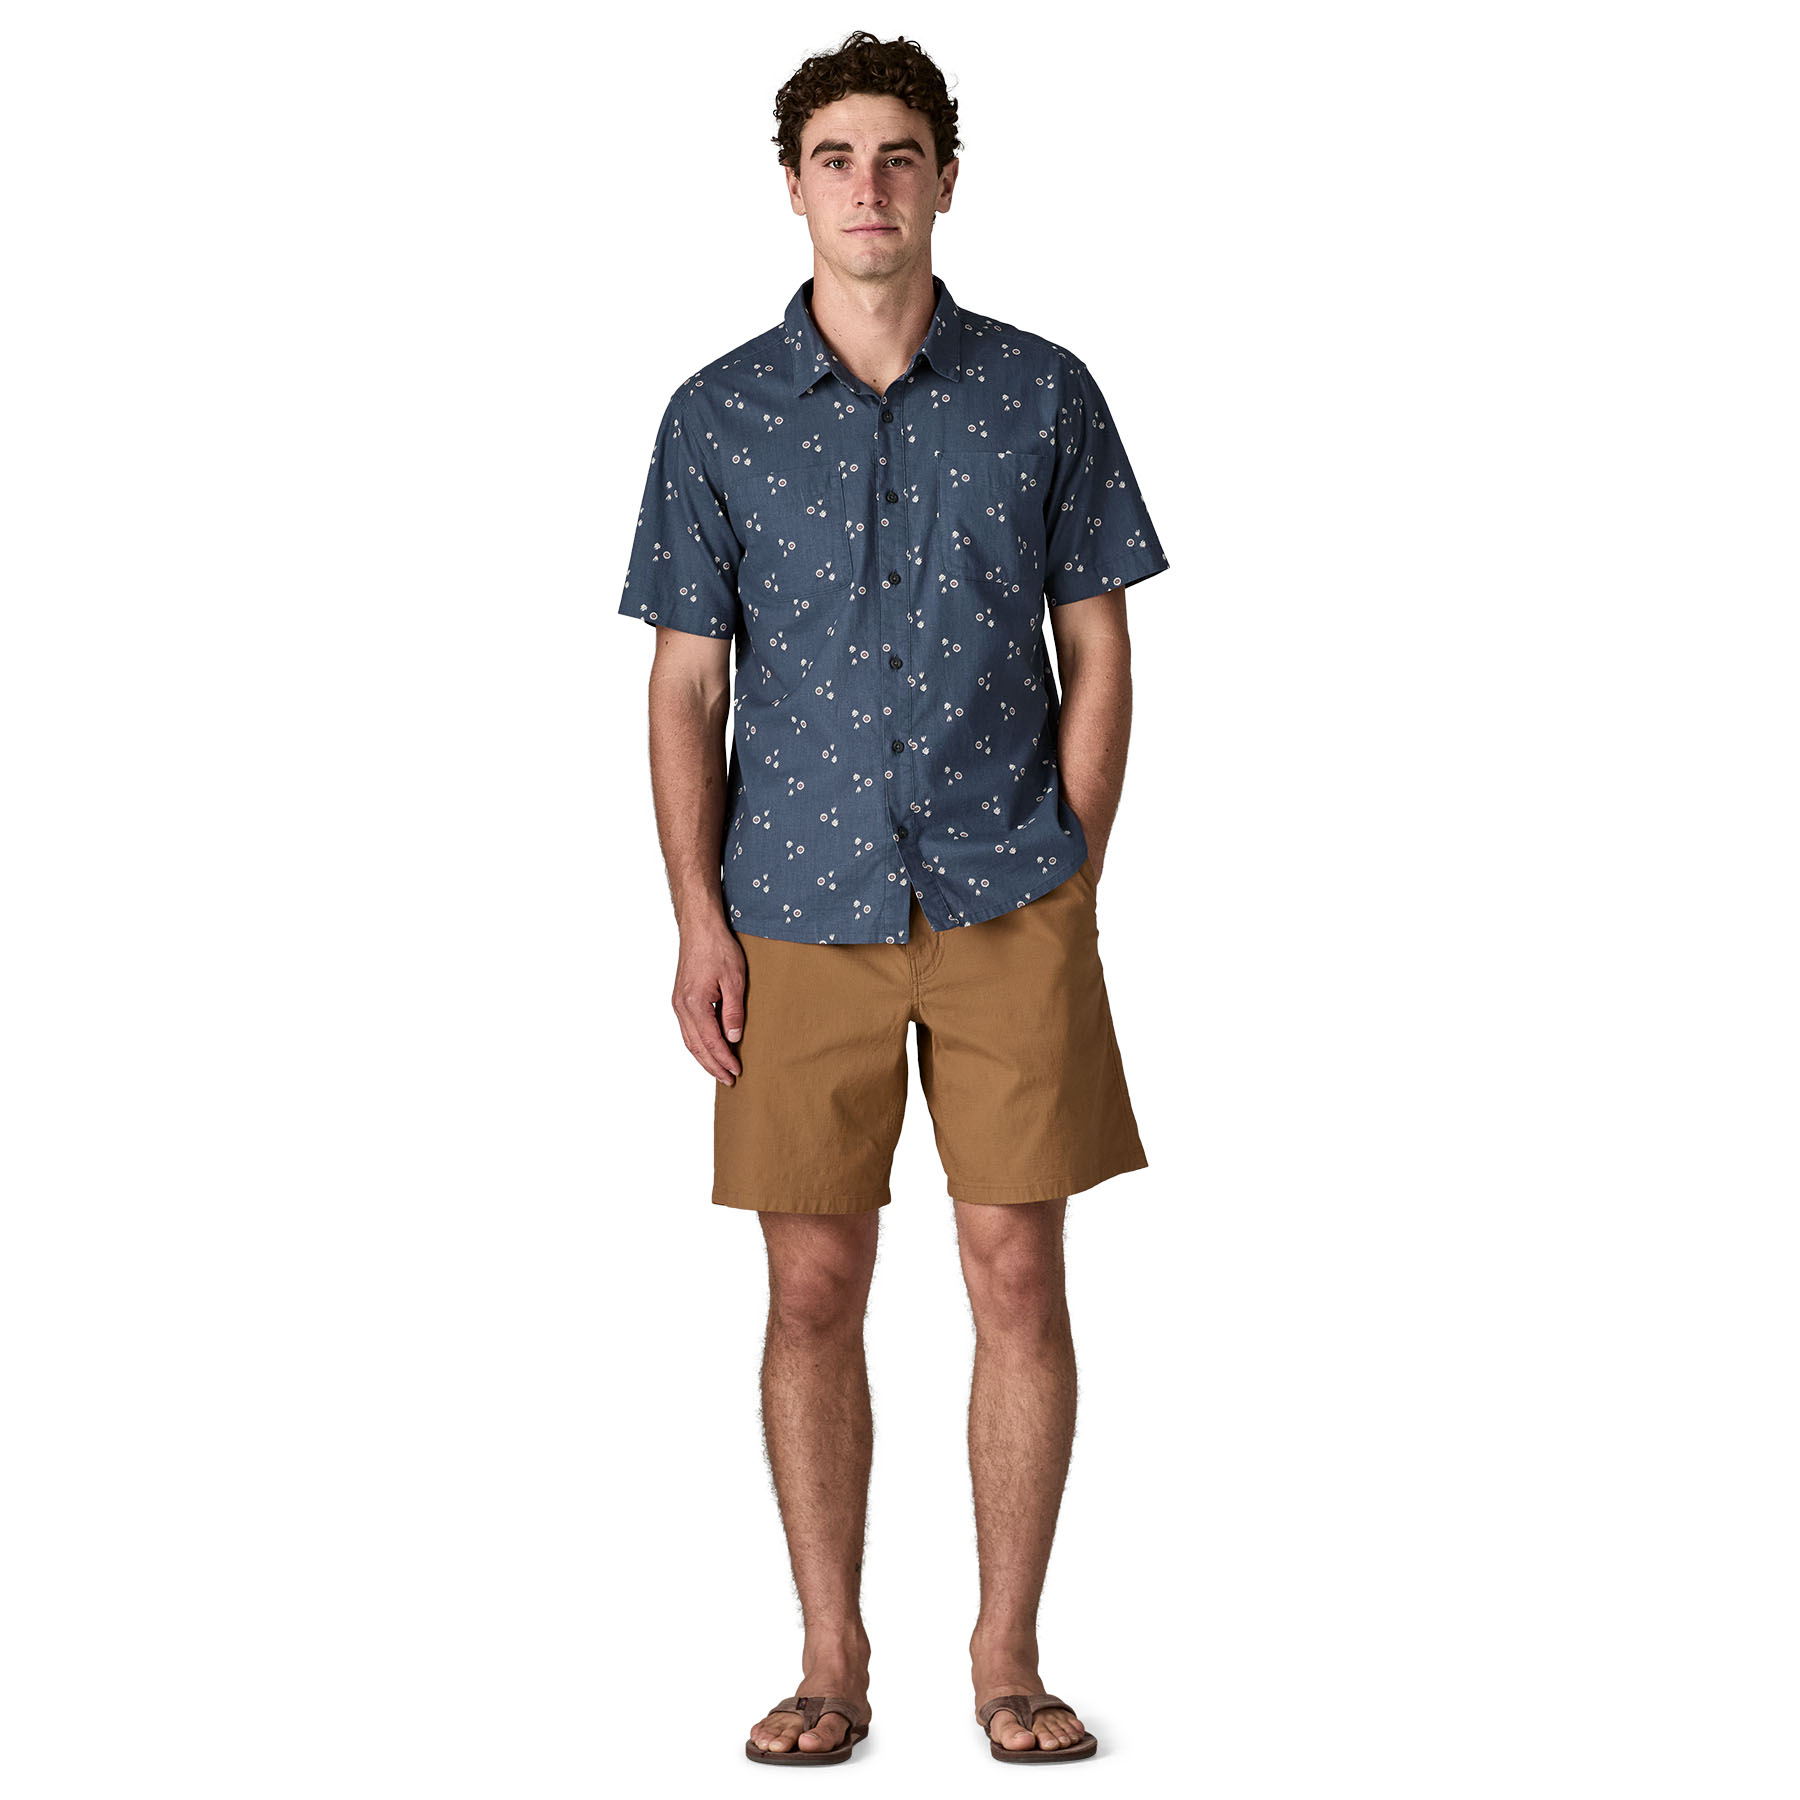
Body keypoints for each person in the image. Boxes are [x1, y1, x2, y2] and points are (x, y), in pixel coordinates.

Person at [617, 30, 1168, 1766]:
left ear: (946, 180)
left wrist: (1071, 867)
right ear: (793, 186)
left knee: (1018, 1269)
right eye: (838, 157)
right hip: (792, 907)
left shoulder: (1045, 393)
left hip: (1010, 898)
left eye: (900, 155)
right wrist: (697, 920)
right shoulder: (713, 415)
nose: (870, 186)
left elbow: (1098, 647)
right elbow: (685, 687)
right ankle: (829, 1659)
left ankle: (1007, 1656)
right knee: (810, 1286)